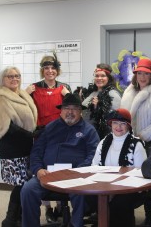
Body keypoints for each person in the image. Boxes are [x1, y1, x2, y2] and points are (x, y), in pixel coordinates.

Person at [21, 93, 99, 227]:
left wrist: (79, 171)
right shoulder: (50, 128)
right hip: (48, 175)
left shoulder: (89, 130)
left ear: (80, 111)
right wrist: (38, 170)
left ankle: (76, 224)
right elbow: (36, 152)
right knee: (28, 190)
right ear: (61, 110)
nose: (70, 112)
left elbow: (94, 155)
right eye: (66, 108)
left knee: (79, 192)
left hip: (75, 176)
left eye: (74, 108)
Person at [25, 52, 72, 222]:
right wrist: (24, 93)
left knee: (58, 167)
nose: (50, 71)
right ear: (42, 71)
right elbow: (23, 108)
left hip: (60, 134)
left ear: (57, 71)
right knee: (42, 169)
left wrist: (67, 95)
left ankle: (61, 204)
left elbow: (72, 109)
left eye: (53, 68)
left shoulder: (64, 87)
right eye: (46, 68)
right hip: (41, 134)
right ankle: (47, 208)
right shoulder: (33, 88)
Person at [0, 66, 38, 227]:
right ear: (3, 79)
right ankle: (10, 220)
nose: (14, 79)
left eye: (17, 75)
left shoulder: (22, 94)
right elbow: (5, 126)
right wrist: (31, 134)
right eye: (10, 76)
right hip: (11, 149)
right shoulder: (1, 97)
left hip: (25, 147)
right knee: (20, 185)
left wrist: (35, 133)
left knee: (23, 184)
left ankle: (18, 217)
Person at [120, 58, 151, 225]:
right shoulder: (129, 91)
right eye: (140, 73)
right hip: (130, 141)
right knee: (131, 177)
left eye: (146, 73)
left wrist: (142, 136)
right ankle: (126, 213)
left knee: (149, 180)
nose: (143, 77)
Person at [90, 108, 147, 227]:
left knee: (119, 203)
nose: (118, 127)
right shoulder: (104, 142)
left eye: (123, 123)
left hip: (130, 188)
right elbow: (94, 166)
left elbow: (141, 174)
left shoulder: (136, 144)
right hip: (105, 186)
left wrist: (116, 190)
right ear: (111, 124)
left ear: (129, 126)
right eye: (115, 123)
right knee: (90, 198)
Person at [82, 63, 122, 140]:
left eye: (103, 76)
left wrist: (97, 108)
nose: (99, 78)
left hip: (101, 138)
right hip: (88, 135)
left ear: (109, 78)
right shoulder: (93, 92)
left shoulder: (113, 94)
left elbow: (113, 122)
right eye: (97, 76)